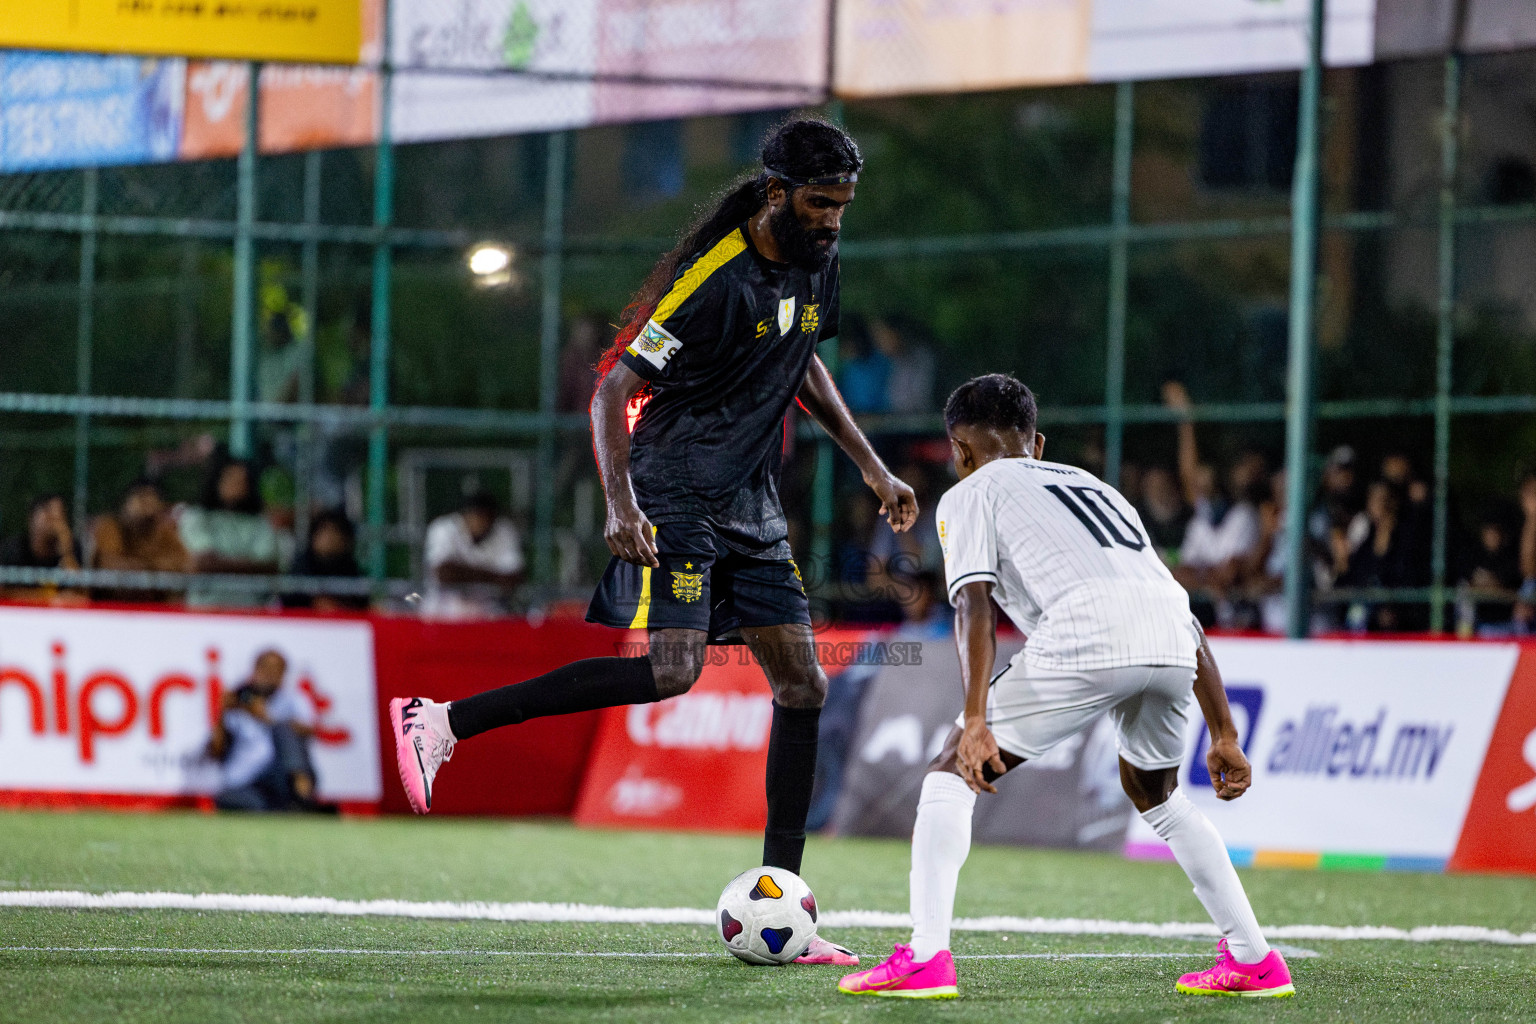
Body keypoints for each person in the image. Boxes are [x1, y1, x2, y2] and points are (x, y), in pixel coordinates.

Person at [388, 118, 917, 968]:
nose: (834, 220)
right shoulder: (712, 281)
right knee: (675, 672)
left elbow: (803, 357)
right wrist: (620, 501)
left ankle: (786, 915)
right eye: (821, 204)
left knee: (803, 685)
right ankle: (442, 721)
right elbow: (612, 393)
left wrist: (873, 467)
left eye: (844, 206)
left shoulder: (818, 258)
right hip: (674, 487)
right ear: (777, 193)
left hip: (748, 497)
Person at [838, 374, 1291, 1000]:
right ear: (1038, 443)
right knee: (1157, 794)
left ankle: (925, 957)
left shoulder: (970, 493)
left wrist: (975, 719)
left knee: (950, 771)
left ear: (959, 452)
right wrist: (1224, 732)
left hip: (1088, 631)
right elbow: (1176, 607)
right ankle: (1254, 960)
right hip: (1171, 642)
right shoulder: (1099, 489)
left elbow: (973, 603)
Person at [207, 649, 322, 811]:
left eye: (274, 670)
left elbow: (309, 731)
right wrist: (221, 715)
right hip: (247, 780)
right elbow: (215, 752)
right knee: (229, 800)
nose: (268, 675)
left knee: (283, 731)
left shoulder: (292, 699)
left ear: (283, 674)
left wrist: (267, 718)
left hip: (280, 774)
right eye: (264, 669)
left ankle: (301, 796)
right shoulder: (239, 700)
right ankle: (288, 810)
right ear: (254, 670)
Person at [179, 455, 282, 608]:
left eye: (242, 480)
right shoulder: (197, 516)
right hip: (205, 608)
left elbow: (270, 566)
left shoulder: (260, 522)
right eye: (230, 478)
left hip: (251, 610)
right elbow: (203, 563)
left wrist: (219, 564)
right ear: (216, 480)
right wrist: (251, 565)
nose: (236, 485)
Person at [421, 492, 525, 619]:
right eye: (476, 515)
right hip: (443, 610)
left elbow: (514, 578)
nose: (480, 522)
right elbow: (444, 574)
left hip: (489, 610)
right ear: (465, 515)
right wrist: (494, 577)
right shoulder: (443, 528)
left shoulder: (504, 530)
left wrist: (462, 572)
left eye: (485, 516)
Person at [90, 479, 192, 603]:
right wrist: (153, 570)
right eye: (141, 498)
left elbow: (183, 566)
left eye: (151, 498)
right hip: (113, 604)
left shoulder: (164, 532)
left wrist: (147, 570)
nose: (147, 504)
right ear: (126, 503)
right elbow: (110, 565)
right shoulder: (110, 527)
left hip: (156, 606)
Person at [0, 494, 82, 602]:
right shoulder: (13, 548)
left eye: (60, 514)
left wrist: (67, 552)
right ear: (31, 519)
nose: (56, 519)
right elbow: (3, 592)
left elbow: (82, 594)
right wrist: (47, 598)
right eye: (48, 512)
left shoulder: (71, 547)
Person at [283, 510, 366, 612]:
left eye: (336, 531)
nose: (329, 538)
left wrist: (339, 607)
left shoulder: (351, 569)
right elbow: (289, 600)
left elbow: (362, 603)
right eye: (324, 531)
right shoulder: (301, 567)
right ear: (313, 537)